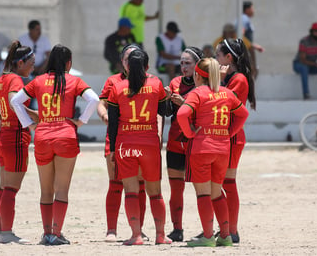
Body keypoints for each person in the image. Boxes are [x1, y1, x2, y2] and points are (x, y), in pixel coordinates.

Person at [11, 44, 99, 246]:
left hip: (42, 135)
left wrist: (30, 125)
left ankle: (46, 233)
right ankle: (57, 233)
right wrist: (80, 121)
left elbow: (16, 101)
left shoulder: (38, 81)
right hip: (66, 135)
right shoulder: (74, 80)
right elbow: (93, 99)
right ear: (68, 63)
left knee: (46, 190)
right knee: (62, 189)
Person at [177, 58, 249, 247]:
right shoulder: (226, 93)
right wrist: (229, 131)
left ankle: (208, 236)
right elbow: (243, 114)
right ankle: (225, 236)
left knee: (203, 194)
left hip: (201, 148)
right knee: (217, 192)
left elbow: (182, 114)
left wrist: (190, 132)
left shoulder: (198, 93)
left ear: (198, 75)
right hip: (222, 148)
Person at [107, 49, 171, 246]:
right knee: (155, 193)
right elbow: (165, 112)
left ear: (126, 66)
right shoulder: (156, 84)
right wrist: (167, 97)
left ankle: (136, 235)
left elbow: (113, 123)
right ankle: (161, 235)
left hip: (126, 144)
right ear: (147, 67)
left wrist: (112, 150)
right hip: (149, 144)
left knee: (131, 192)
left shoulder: (117, 88)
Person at [0, 40, 37, 244]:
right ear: (20, 62)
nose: (33, 65)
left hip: (3, 134)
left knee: (4, 188)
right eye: (31, 61)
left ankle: (2, 231)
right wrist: (33, 117)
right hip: (15, 137)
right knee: (11, 189)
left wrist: (1, 117)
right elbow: (14, 102)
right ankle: (6, 233)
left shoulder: (4, 79)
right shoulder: (15, 81)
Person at [98, 43, 148, 243]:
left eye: (134, 58)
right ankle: (111, 229)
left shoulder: (149, 82)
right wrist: (105, 116)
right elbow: (101, 104)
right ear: (122, 62)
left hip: (139, 139)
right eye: (127, 59)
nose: (130, 62)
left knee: (140, 185)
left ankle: (139, 229)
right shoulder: (113, 81)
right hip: (116, 137)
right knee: (115, 183)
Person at [215, 38, 256, 244]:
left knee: (228, 183)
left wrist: (219, 81)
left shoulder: (238, 79)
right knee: (221, 183)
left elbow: (223, 102)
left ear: (228, 57)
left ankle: (232, 229)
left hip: (232, 135)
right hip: (225, 135)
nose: (216, 59)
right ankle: (226, 227)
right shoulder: (232, 78)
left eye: (218, 56)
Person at [163, 47, 203, 242]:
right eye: (181, 63)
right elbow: (169, 111)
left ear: (198, 65)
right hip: (175, 142)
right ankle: (177, 229)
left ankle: (208, 229)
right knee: (176, 189)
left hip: (196, 143)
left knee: (201, 188)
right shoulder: (175, 83)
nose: (183, 66)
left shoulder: (205, 85)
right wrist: (165, 99)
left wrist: (182, 102)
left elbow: (201, 111)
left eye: (188, 63)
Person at [293, 22, 317, 100]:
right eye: (316, 31)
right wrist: (316, 64)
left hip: (312, 65)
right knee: (304, 68)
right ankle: (306, 94)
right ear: (312, 31)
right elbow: (302, 59)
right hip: (299, 64)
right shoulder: (304, 41)